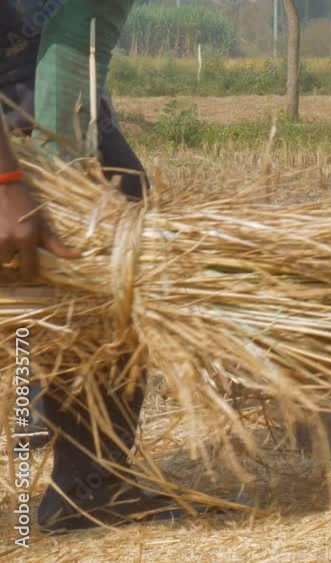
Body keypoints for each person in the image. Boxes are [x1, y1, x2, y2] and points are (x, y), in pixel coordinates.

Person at [1, 0, 185, 531]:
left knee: (106, 229)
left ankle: (85, 474)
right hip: (23, 110)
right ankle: (88, 486)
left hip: (42, 95)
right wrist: (9, 183)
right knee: (107, 248)